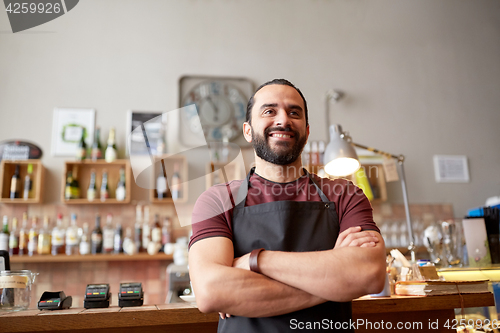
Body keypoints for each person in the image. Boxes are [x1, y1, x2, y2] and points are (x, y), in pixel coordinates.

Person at [188, 79, 386, 332]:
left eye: (294, 112)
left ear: (307, 129)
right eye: (269, 111)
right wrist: (335, 281)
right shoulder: (217, 200)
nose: (283, 120)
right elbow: (210, 292)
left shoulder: (345, 194)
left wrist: (255, 261)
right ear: (247, 131)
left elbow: (368, 275)